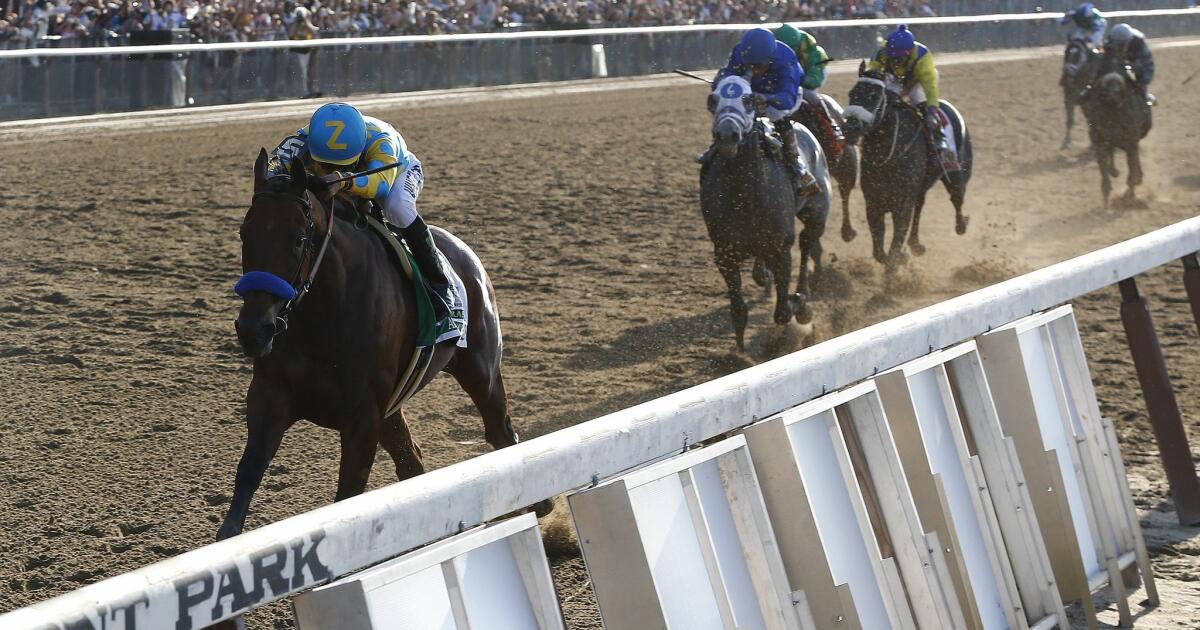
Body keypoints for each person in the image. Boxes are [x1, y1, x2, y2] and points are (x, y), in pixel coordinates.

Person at [267, 102, 456, 321]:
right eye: (324, 164)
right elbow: (271, 170)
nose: (332, 169)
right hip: (351, 178)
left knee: (398, 207)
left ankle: (439, 283)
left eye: (341, 165)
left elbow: (381, 185)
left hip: (397, 171)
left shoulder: (382, 140)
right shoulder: (301, 140)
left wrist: (342, 181)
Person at [710, 27, 819, 198]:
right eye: (750, 65)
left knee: (777, 115)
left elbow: (787, 99)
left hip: (782, 94)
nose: (753, 70)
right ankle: (716, 147)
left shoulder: (786, 61)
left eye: (758, 66)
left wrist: (766, 99)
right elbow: (729, 73)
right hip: (751, 90)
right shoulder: (741, 52)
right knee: (729, 109)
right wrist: (721, 81)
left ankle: (796, 163)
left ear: (770, 58)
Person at [866, 24, 960, 173]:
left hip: (918, 82)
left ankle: (942, 145)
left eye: (899, 58)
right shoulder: (882, 51)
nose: (895, 61)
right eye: (893, 57)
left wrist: (932, 108)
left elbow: (930, 86)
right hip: (895, 79)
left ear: (909, 53)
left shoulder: (922, 56)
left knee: (921, 103)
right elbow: (872, 71)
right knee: (881, 102)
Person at [774, 24, 845, 164]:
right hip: (790, 80)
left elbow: (815, 77)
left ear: (798, 44)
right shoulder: (775, 50)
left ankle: (832, 126)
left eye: (792, 48)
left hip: (809, 77)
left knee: (810, 95)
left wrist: (798, 83)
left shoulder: (815, 52)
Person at [1105, 23, 1155, 105]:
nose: (1122, 47)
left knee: (1137, 72)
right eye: (1119, 44)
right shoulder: (1110, 41)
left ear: (1130, 40)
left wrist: (1143, 82)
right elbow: (1103, 59)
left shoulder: (1139, 43)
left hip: (1133, 63)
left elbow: (1148, 64)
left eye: (1124, 44)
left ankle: (1143, 99)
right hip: (1116, 61)